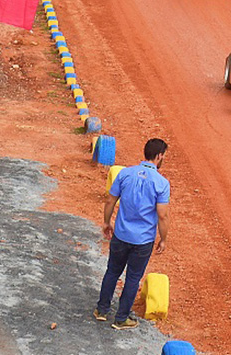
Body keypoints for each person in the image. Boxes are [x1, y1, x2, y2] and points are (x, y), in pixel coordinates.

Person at [96, 138, 171, 329]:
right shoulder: (161, 183)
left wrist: (106, 222)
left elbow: (110, 201)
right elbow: (162, 216)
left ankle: (102, 310)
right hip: (143, 241)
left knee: (112, 271)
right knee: (132, 278)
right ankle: (121, 319)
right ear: (159, 156)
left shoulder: (125, 174)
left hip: (121, 234)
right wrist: (163, 239)